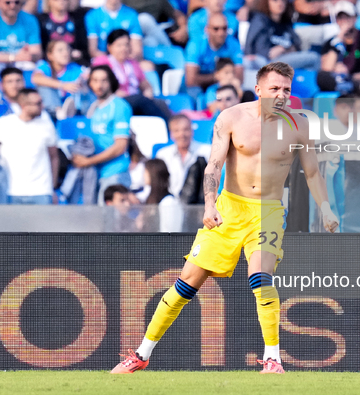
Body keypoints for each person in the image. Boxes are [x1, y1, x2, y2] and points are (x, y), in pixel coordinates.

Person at [111, 61, 339, 374]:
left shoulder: (298, 124)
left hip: (268, 211)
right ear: (258, 89)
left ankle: (273, 359)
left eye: (286, 89)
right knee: (187, 282)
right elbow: (214, 165)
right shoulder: (232, 117)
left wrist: (325, 207)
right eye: (274, 88)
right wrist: (208, 204)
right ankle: (141, 354)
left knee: (260, 279)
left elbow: (312, 171)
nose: (281, 95)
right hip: (229, 208)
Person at [0, 88, 59, 204]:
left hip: (41, 190)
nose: (42, 106)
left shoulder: (47, 126)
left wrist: (52, 187)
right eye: (38, 103)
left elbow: (54, 157)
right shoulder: (5, 123)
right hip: (11, 190)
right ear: (24, 105)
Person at [73, 65, 132, 204]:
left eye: (104, 80)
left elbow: (120, 146)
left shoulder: (119, 106)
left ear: (111, 82)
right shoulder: (93, 107)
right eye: (95, 80)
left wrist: (88, 161)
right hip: (95, 173)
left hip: (115, 172)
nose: (99, 85)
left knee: (114, 221)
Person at [92, 29, 171, 123]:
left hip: (136, 100)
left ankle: (172, 129)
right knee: (140, 100)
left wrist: (147, 92)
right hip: (114, 100)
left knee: (161, 104)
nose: (124, 48)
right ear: (109, 47)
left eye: (126, 44)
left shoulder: (133, 64)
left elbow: (145, 85)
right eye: (119, 45)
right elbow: (97, 84)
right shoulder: (102, 62)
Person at [318, 1, 360, 93]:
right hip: (338, 82)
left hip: (359, 80)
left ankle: (351, 85)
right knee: (320, 77)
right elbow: (326, 69)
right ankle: (352, 86)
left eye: (347, 17)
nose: (344, 21)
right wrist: (339, 39)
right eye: (340, 18)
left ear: (355, 18)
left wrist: (348, 76)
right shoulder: (331, 42)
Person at [0, 0, 42, 82]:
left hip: (18, 60)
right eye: (7, 2)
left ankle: (27, 93)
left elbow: (37, 52)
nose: (12, 6)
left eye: (16, 2)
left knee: (35, 67)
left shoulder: (30, 20)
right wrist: (13, 57)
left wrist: (30, 56)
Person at [243, 0, 320, 71]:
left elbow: (296, 44)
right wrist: (270, 53)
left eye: (283, 1)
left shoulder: (285, 22)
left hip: (284, 58)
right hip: (265, 62)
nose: (280, 4)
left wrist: (283, 49)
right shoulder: (260, 20)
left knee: (313, 58)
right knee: (314, 58)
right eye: (275, 1)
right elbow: (258, 50)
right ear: (266, 2)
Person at [155, 113, 211, 198]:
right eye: (177, 131)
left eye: (186, 129)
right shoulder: (162, 155)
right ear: (171, 134)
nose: (182, 134)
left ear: (192, 131)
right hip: (170, 203)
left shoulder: (207, 152)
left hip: (199, 204)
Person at [184, 13, 243, 92]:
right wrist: (216, 77)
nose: (221, 33)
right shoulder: (196, 45)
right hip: (198, 88)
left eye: (224, 28)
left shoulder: (233, 44)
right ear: (207, 29)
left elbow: (239, 77)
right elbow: (191, 80)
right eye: (216, 29)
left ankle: (264, 104)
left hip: (223, 86)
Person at [32, 40, 88, 120]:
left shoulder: (75, 68)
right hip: (49, 109)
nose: (65, 53)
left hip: (72, 108)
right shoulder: (44, 66)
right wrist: (63, 85)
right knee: (44, 86)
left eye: (67, 49)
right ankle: (57, 111)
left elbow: (88, 76)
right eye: (60, 50)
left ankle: (88, 112)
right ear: (50, 55)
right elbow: (36, 78)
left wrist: (82, 82)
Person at [38, 0, 89, 65]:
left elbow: (84, 47)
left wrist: (79, 53)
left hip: (74, 62)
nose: (61, 1)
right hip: (48, 62)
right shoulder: (41, 21)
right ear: (49, 2)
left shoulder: (77, 19)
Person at [122, 0, 189, 47]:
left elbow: (176, 14)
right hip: (131, 35)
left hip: (152, 35)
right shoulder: (124, 2)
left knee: (151, 41)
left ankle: (169, 54)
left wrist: (184, 27)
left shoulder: (157, 1)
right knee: (144, 19)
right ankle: (168, 48)